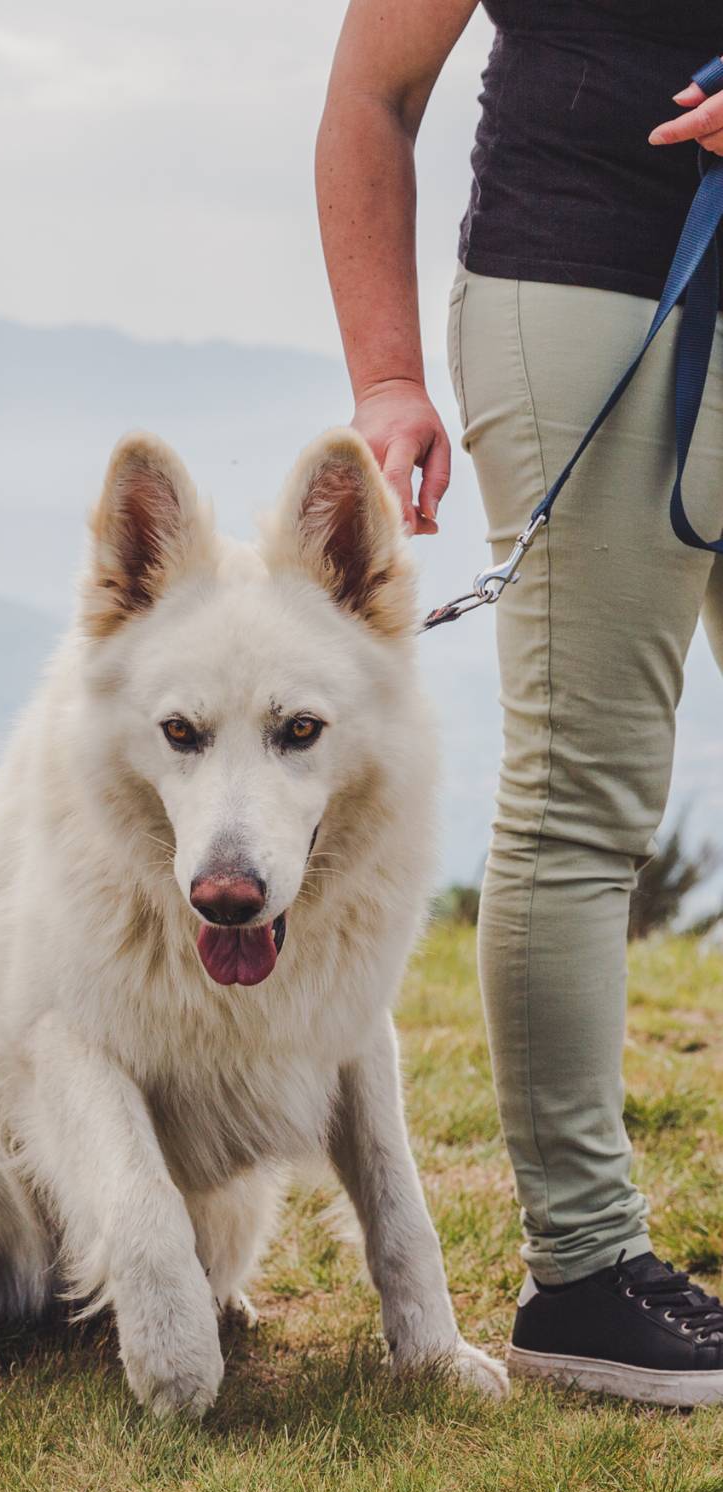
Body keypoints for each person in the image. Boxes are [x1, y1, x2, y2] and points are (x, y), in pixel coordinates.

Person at [317, 0, 723, 1404]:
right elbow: (371, 94)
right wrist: (383, 374)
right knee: (582, 791)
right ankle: (585, 1274)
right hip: (587, 295)